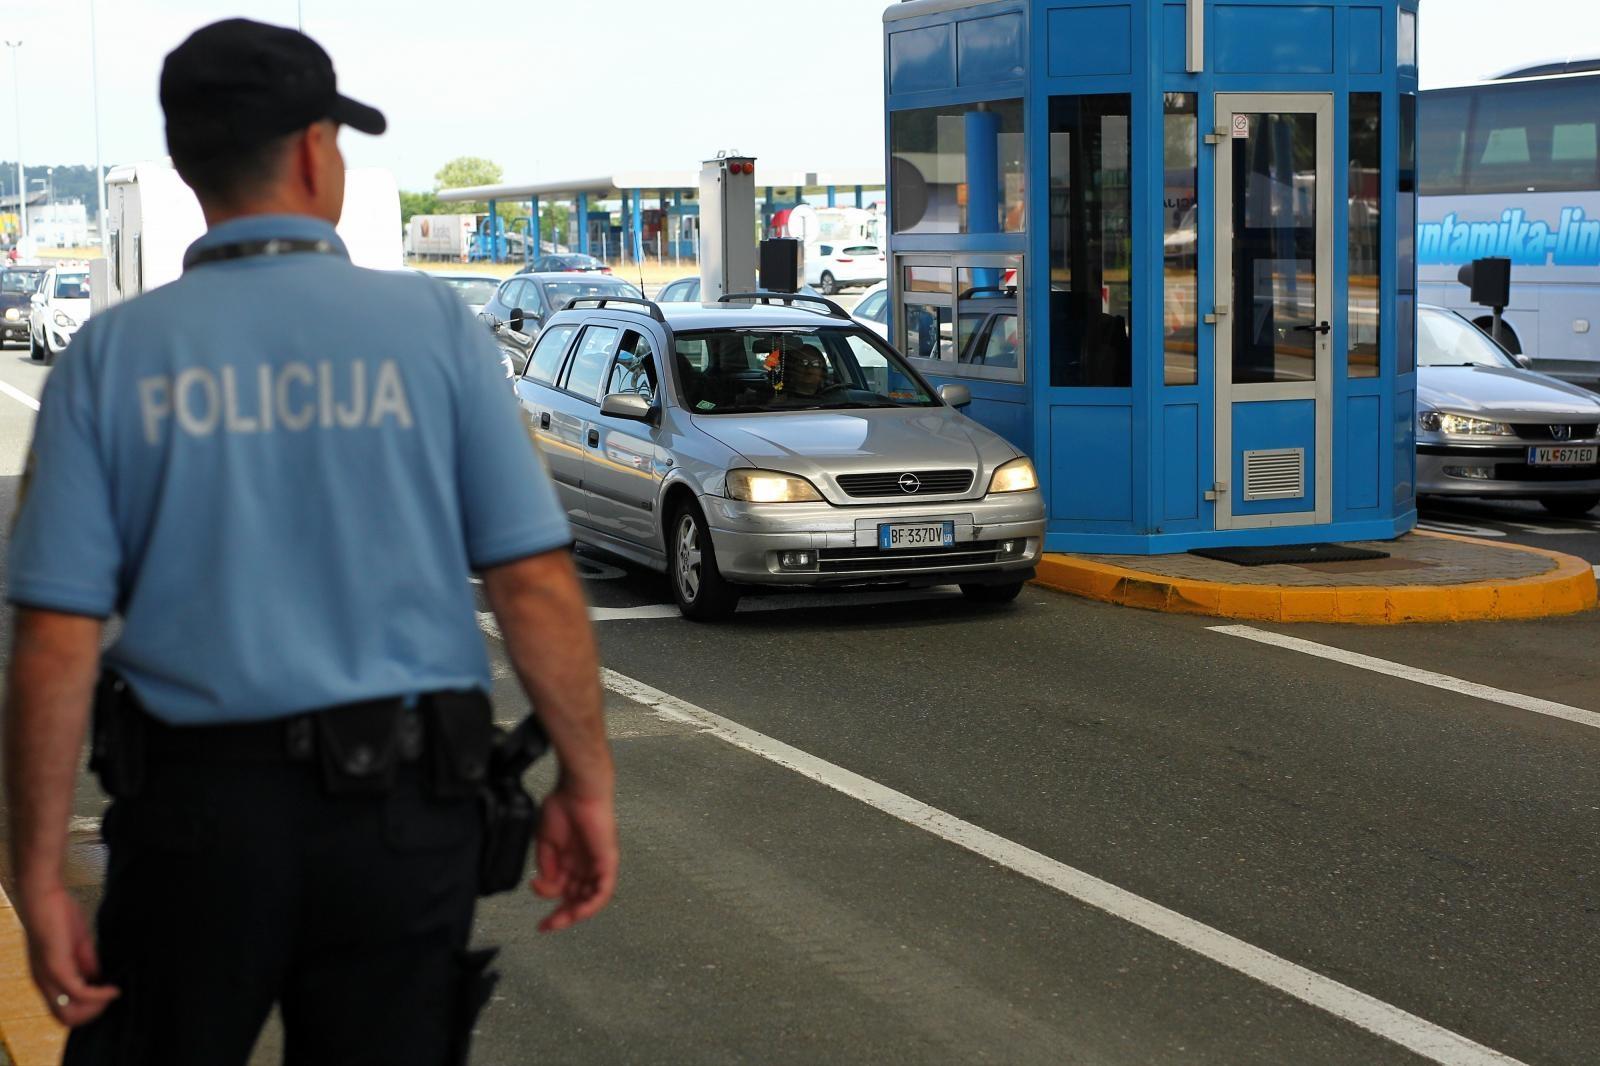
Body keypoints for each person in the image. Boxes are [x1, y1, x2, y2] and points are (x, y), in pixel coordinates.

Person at [2, 18, 617, 1066]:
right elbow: (535, 586)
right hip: (403, 827)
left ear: (192, 165)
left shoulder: (111, 357)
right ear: (311, 149)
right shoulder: (435, 332)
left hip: (192, 825)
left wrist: (35, 872)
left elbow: (55, 642)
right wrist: (588, 783)